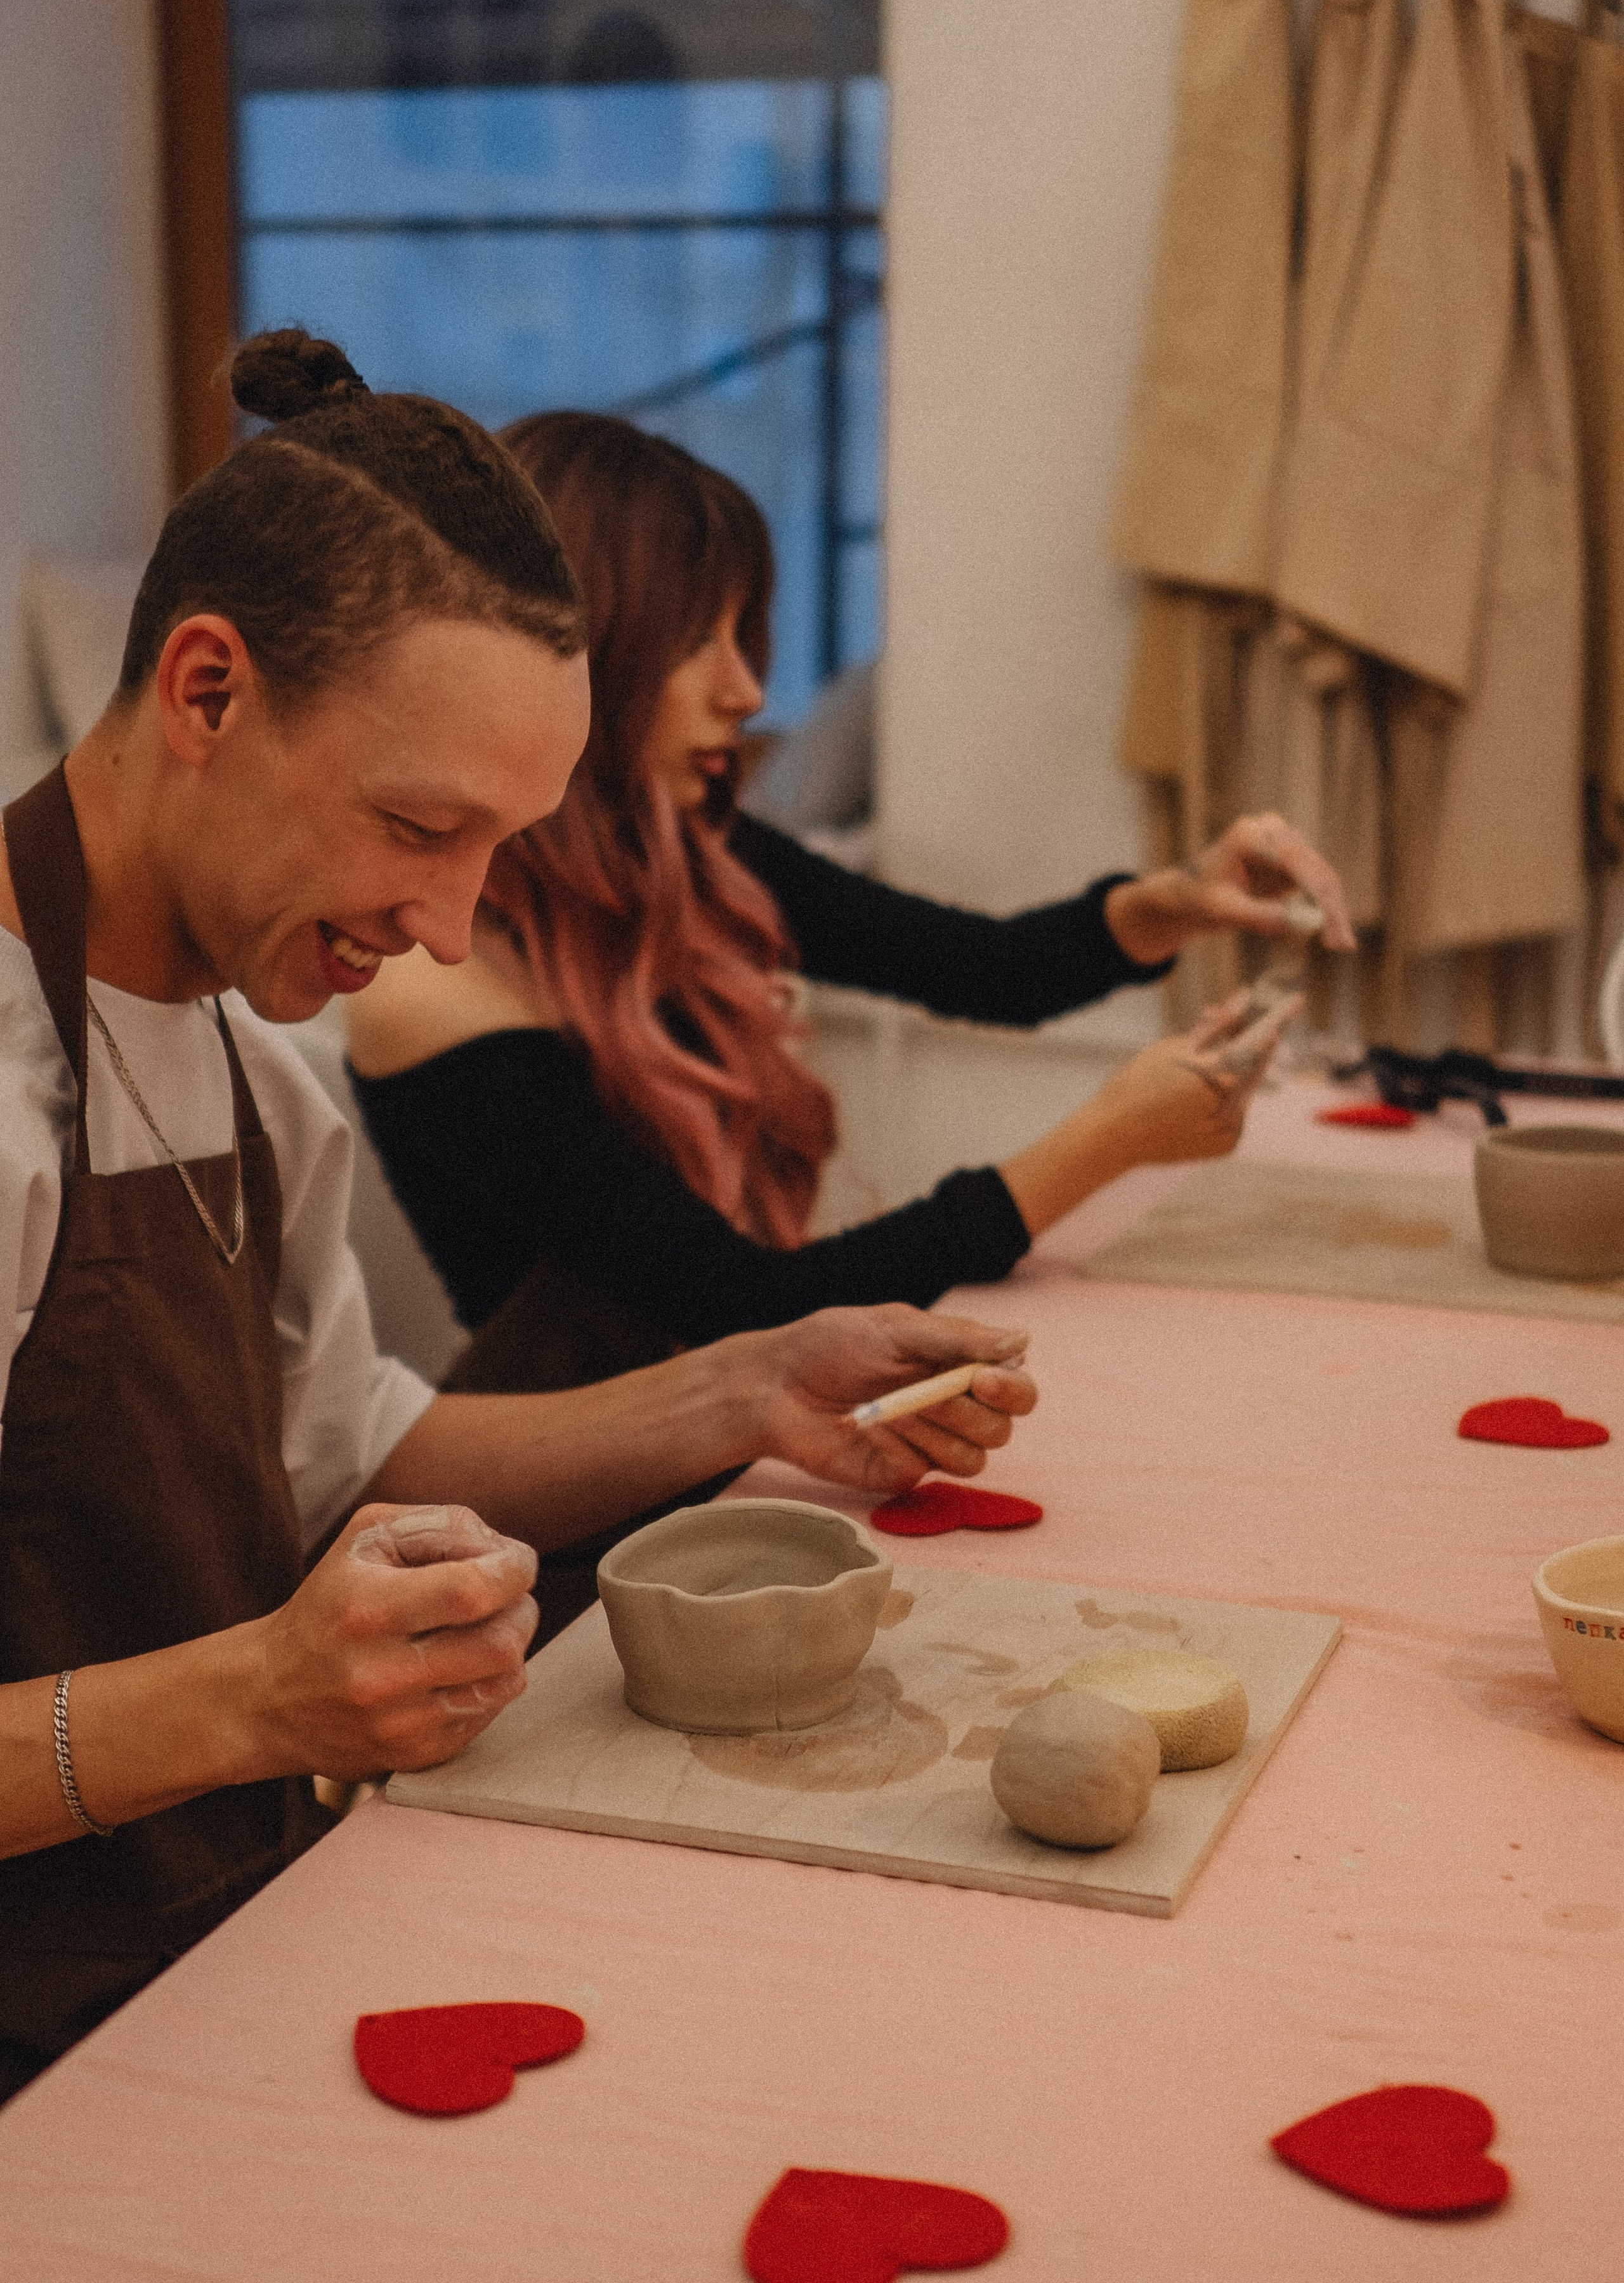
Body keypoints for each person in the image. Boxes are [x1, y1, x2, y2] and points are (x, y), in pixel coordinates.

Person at [0, 336, 1035, 2101]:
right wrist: (255, 1701)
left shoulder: (254, 1076)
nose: (455, 928)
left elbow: (352, 1458)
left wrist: (745, 1389)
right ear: (203, 691)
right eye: (419, 826)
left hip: (209, 1966)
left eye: (504, 848)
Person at [346, 414, 1352, 1389]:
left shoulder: (695, 856)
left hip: (739, 1443)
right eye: (698, 637)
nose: (745, 690)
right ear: (575, 653)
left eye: (746, 635)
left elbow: (985, 969)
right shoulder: (435, 983)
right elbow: (745, 1310)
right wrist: (1103, 1145)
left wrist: (1178, 901)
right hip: (572, 1518)